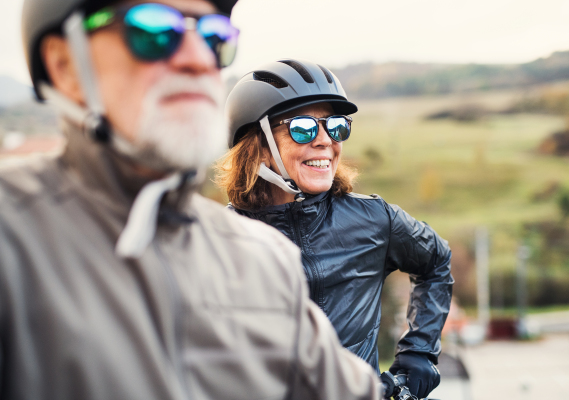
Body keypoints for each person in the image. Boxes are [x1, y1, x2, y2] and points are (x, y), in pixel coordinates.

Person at [0, 2, 381, 399]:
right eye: (154, 31)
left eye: (214, 36)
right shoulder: (12, 240)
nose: (199, 59)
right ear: (65, 64)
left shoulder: (263, 260)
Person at [218, 59, 454, 399]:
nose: (325, 141)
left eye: (336, 126)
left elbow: (437, 261)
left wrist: (418, 352)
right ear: (260, 147)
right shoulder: (220, 240)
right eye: (303, 128)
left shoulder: (374, 219)